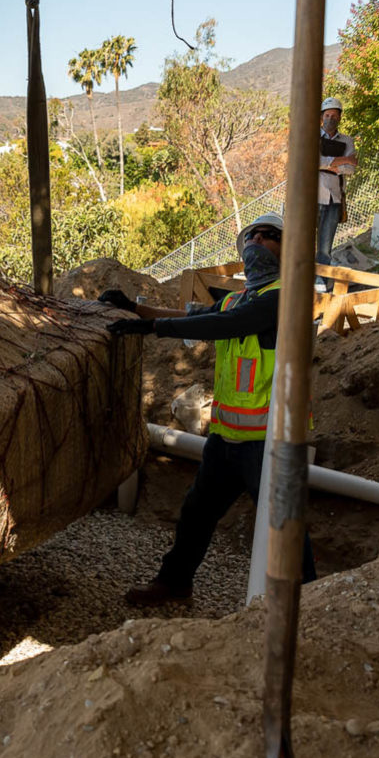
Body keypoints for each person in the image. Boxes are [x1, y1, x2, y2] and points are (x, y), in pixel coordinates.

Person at [100, 211, 316, 603]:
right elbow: (194, 317)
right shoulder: (239, 299)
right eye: (252, 237)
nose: (257, 242)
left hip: (272, 441)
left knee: (286, 527)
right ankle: (174, 583)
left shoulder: (286, 299)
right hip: (229, 437)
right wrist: (136, 309)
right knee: (196, 514)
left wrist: (151, 329)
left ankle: (311, 604)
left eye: (268, 236)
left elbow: (225, 326)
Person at [317, 97, 358, 269]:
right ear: (321, 116)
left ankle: (320, 280)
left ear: (340, 117)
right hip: (313, 196)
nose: (330, 119)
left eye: (334, 115)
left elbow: (351, 168)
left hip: (334, 199)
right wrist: (343, 160)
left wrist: (331, 165)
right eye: (327, 115)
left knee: (325, 246)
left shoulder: (347, 141)